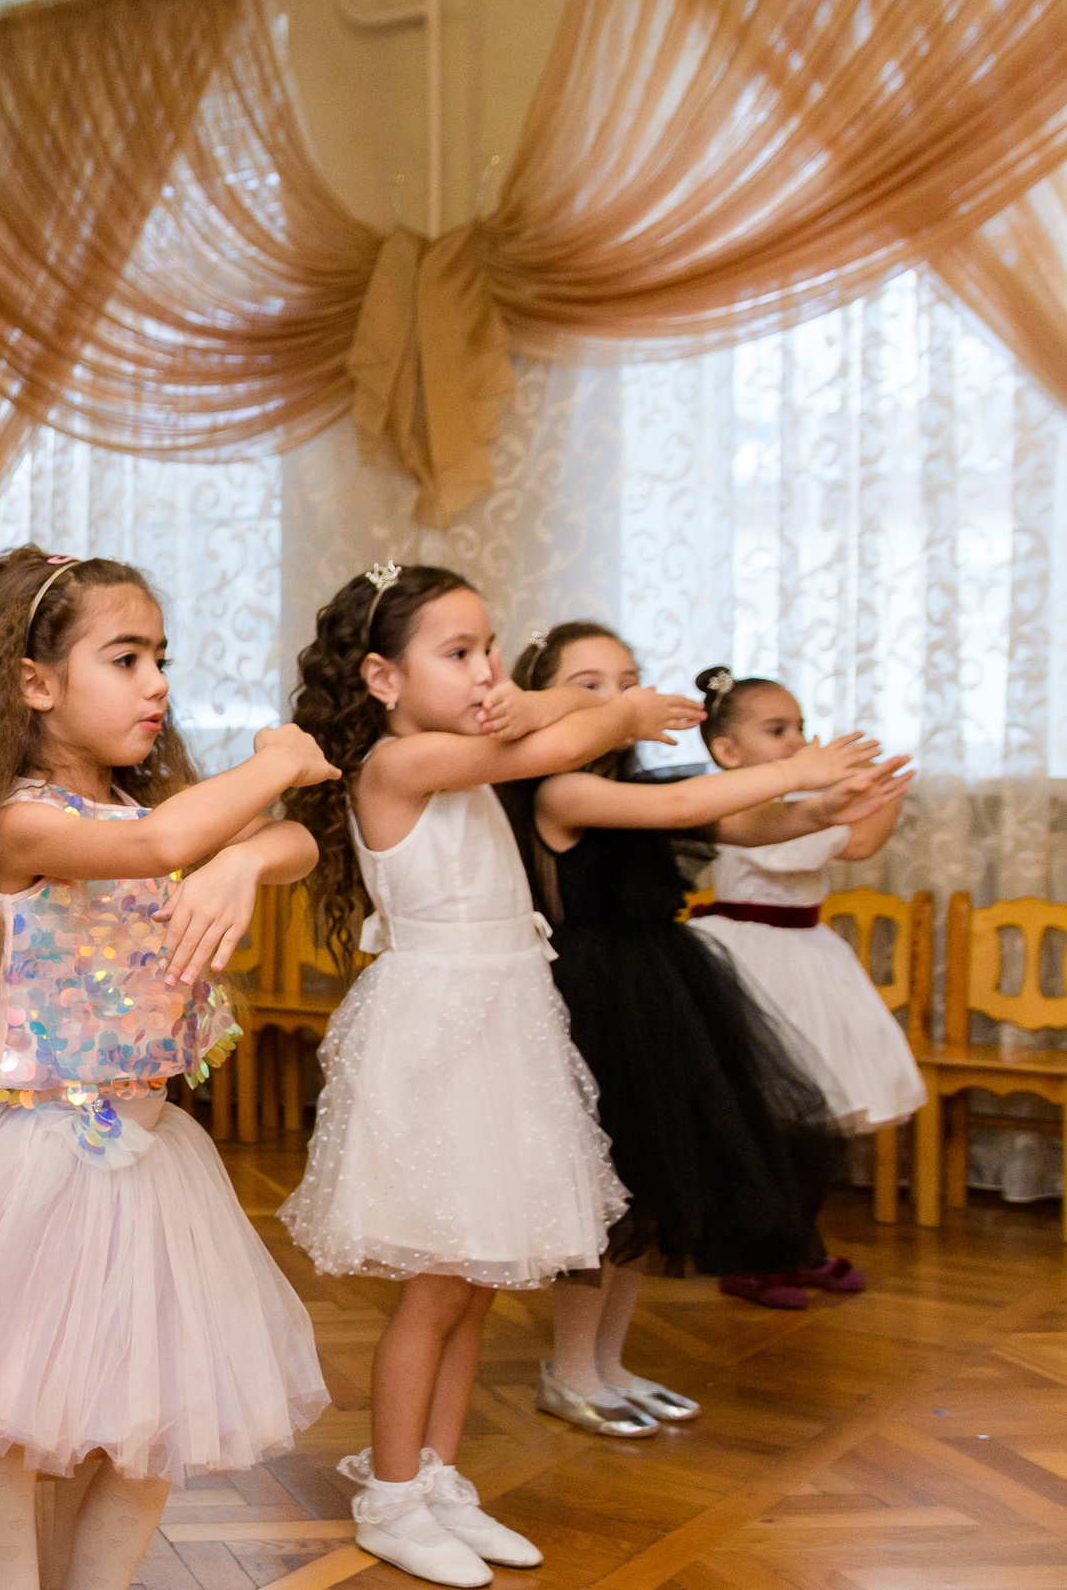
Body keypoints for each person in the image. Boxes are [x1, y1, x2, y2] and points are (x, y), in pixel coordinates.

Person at [0, 549, 332, 1589]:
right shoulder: (22, 822)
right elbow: (161, 843)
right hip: (31, 1158)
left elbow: (296, 845)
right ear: (34, 683)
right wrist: (278, 758)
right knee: (12, 1425)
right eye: (125, 656)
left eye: (161, 656)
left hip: (150, 1155)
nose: (156, 680)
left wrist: (245, 855)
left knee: (146, 1427)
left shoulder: (158, 805)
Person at [278, 564, 680, 1588]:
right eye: (456, 653)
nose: (484, 670)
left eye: (489, 648)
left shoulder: (461, 744)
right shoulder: (396, 762)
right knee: (434, 1282)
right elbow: (554, 738)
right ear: (379, 675)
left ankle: (440, 1475)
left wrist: (523, 693)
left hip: (503, 1019)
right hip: (439, 1034)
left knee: (479, 1278)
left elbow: (527, 722)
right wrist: (617, 703)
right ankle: (391, 1492)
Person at [503, 628, 889, 1397]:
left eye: (630, 680)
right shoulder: (560, 790)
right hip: (592, 996)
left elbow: (745, 824)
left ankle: (611, 1363)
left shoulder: (641, 785)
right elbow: (687, 800)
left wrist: (823, 808)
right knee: (602, 1199)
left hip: (658, 986)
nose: (621, 699)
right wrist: (795, 767)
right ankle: (572, 1371)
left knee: (651, 1186)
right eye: (590, 685)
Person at [689, 665, 923, 1300]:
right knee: (767, 1117)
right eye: (777, 730)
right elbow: (857, 843)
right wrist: (884, 795)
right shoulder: (739, 809)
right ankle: (752, 1255)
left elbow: (852, 837)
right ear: (727, 752)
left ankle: (800, 1244)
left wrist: (872, 794)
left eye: (801, 728)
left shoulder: (798, 807)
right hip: (753, 959)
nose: (797, 742)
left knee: (815, 1115)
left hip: (807, 953)